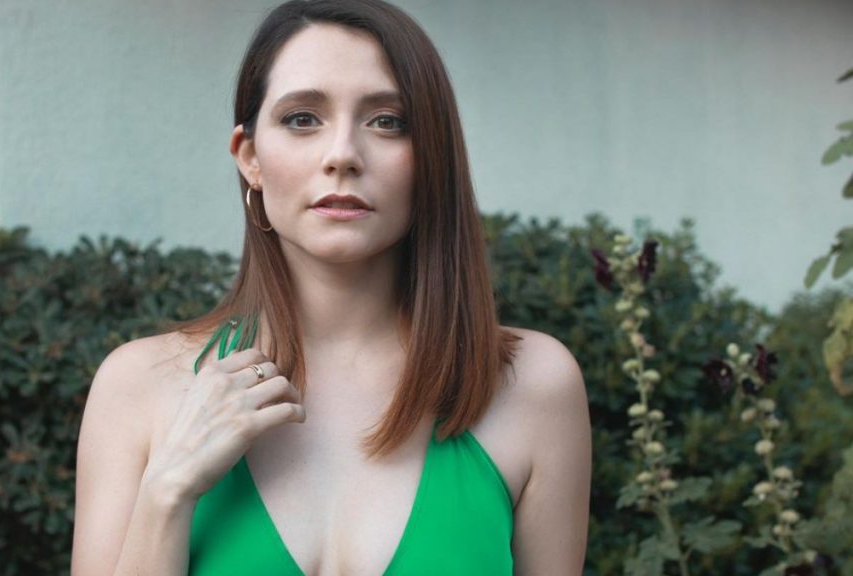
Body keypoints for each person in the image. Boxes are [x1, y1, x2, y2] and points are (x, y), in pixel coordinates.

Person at [71, 0, 591, 574]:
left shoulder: (532, 387)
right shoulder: (139, 388)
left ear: (432, 158)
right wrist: (167, 491)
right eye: (302, 119)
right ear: (250, 158)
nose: (342, 154)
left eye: (388, 121)